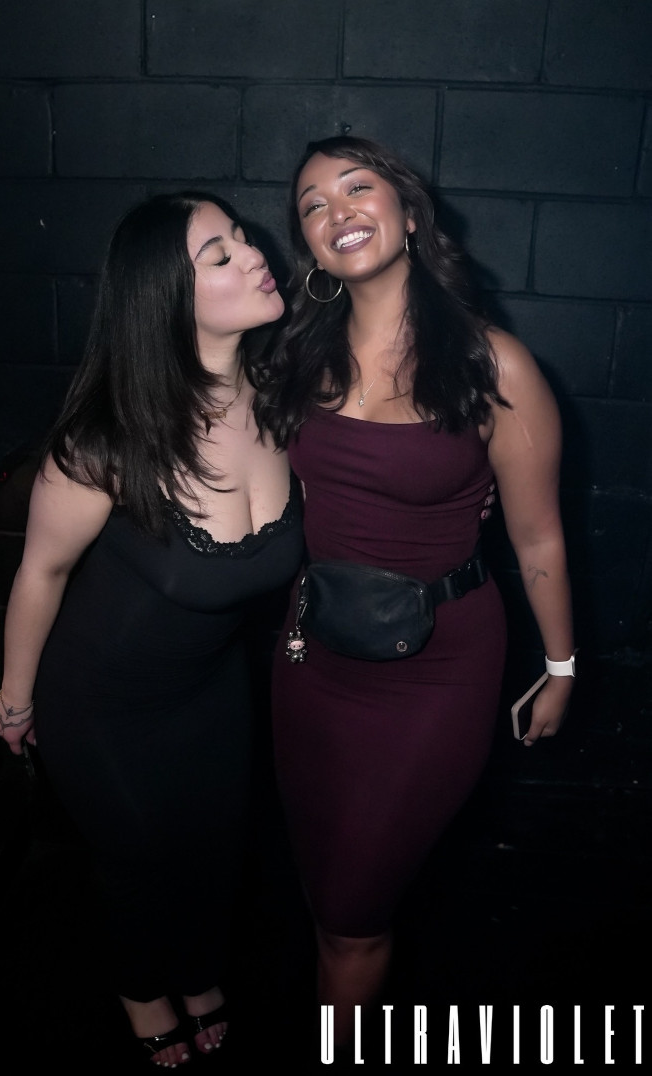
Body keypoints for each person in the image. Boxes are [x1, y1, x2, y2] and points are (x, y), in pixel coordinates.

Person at [254, 135, 575, 1051]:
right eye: (313, 205)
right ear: (309, 246)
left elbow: (538, 535)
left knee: (356, 908)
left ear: (407, 211)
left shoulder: (490, 364)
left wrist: (560, 666)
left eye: (358, 188)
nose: (338, 212)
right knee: (325, 887)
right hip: (313, 659)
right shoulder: (293, 358)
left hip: (437, 667)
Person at [0, 192, 303, 1067]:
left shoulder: (283, 404)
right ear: (164, 297)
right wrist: (15, 699)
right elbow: (41, 573)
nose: (253, 254)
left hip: (210, 689)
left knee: (216, 848)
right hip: (102, 704)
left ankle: (197, 973)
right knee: (139, 859)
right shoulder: (106, 439)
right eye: (219, 255)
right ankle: (141, 992)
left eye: (243, 238)